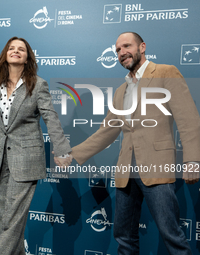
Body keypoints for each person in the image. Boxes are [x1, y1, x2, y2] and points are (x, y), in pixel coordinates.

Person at [71, 32, 200, 254]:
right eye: (118, 50)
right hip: (125, 172)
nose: (122, 53)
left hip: (157, 165)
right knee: (124, 238)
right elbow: (107, 131)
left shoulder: (165, 73)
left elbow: (188, 120)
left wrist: (193, 161)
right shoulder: (122, 90)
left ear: (142, 47)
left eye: (126, 46)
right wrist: (72, 154)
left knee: (172, 236)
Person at [0, 37, 72, 255]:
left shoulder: (37, 84)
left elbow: (50, 117)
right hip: (0, 157)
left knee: (13, 219)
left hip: (26, 159)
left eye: (21, 49)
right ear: (5, 54)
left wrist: (61, 149)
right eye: (11, 48)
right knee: (1, 216)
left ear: (27, 57)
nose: (15, 51)